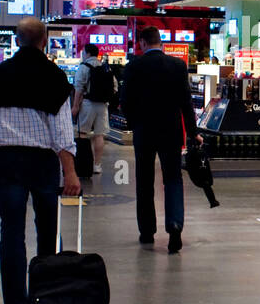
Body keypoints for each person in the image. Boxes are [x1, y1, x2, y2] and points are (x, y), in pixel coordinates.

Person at [0, 16, 81, 304]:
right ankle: (44, 303)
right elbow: (62, 134)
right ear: (44, 41)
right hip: (44, 164)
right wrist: (70, 174)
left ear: (16, 41)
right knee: (48, 233)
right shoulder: (56, 77)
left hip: (8, 161)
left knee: (12, 234)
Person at [120, 26, 202, 254]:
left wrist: (133, 122)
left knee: (144, 180)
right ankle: (175, 227)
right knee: (173, 179)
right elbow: (187, 102)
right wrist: (192, 130)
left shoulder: (133, 67)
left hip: (144, 131)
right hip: (171, 131)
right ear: (160, 42)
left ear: (143, 43)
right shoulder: (177, 66)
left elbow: (125, 101)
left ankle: (147, 231)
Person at [72, 43, 116, 174]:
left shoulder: (84, 67)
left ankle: (84, 163)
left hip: (87, 104)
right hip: (103, 105)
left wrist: (75, 106)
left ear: (87, 53)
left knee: (82, 133)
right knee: (99, 135)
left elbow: (79, 88)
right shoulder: (105, 67)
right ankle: (97, 165)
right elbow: (114, 87)